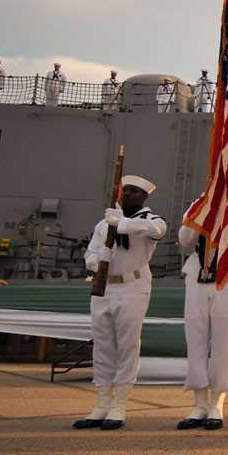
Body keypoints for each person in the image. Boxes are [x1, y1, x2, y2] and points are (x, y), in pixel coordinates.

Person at [73, 175, 167, 430]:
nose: (126, 194)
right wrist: (98, 260)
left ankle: (119, 405)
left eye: (133, 191)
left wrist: (120, 223)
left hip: (133, 286)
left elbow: (156, 231)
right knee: (102, 346)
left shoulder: (150, 220)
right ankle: (103, 403)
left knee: (127, 345)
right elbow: (90, 255)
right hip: (104, 286)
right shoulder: (104, 223)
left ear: (144, 197)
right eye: (124, 190)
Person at [176, 203, 228, 430]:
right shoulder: (197, 205)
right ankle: (199, 403)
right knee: (196, 339)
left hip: (227, 270)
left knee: (223, 341)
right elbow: (185, 239)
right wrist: (200, 210)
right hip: (197, 271)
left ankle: (216, 404)